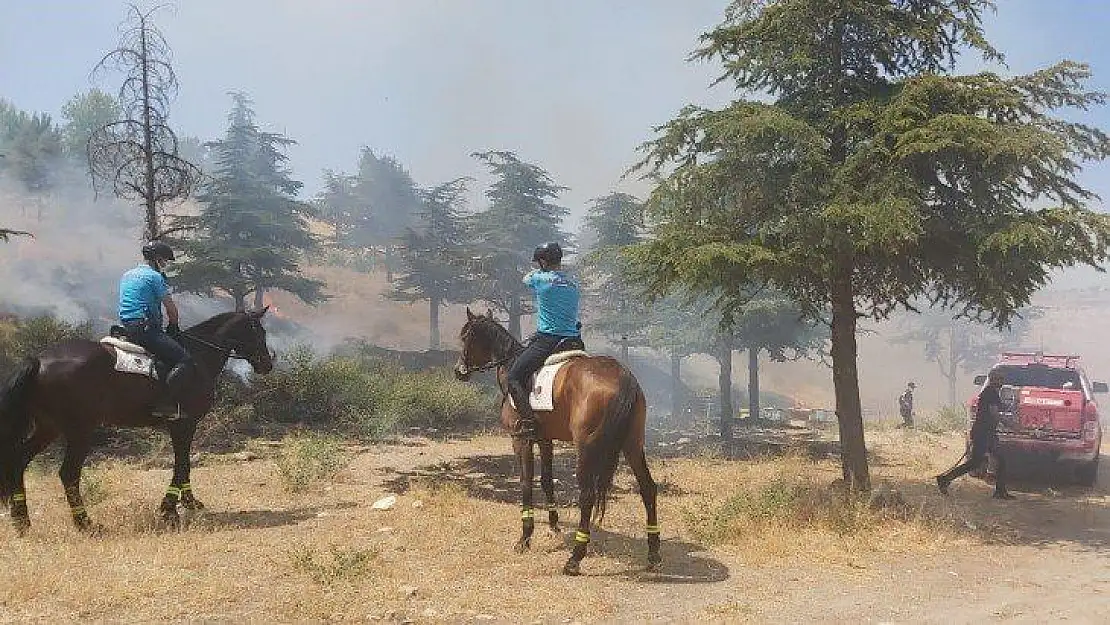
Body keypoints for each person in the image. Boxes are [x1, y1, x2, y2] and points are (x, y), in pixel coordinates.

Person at [506, 242, 582, 441]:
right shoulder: (573, 283)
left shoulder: (539, 278)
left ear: (542, 262)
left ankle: (529, 423)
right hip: (573, 340)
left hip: (549, 340)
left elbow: (525, 279)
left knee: (513, 377)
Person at [118, 240, 194, 410]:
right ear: (157, 259)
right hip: (146, 329)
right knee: (185, 359)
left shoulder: (127, 274)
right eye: (164, 260)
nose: (165, 264)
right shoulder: (154, 277)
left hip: (126, 326)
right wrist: (173, 326)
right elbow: (171, 310)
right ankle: (165, 403)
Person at [935, 369, 1014, 499]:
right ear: (992, 379)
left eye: (1001, 379)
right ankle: (945, 479)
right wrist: (1008, 423)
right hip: (983, 433)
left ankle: (1000, 491)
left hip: (986, 432)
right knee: (981, 462)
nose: (1001, 382)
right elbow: (993, 413)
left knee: (992, 461)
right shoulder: (990, 393)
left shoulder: (991, 392)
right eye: (998, 379)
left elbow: (997, 408)